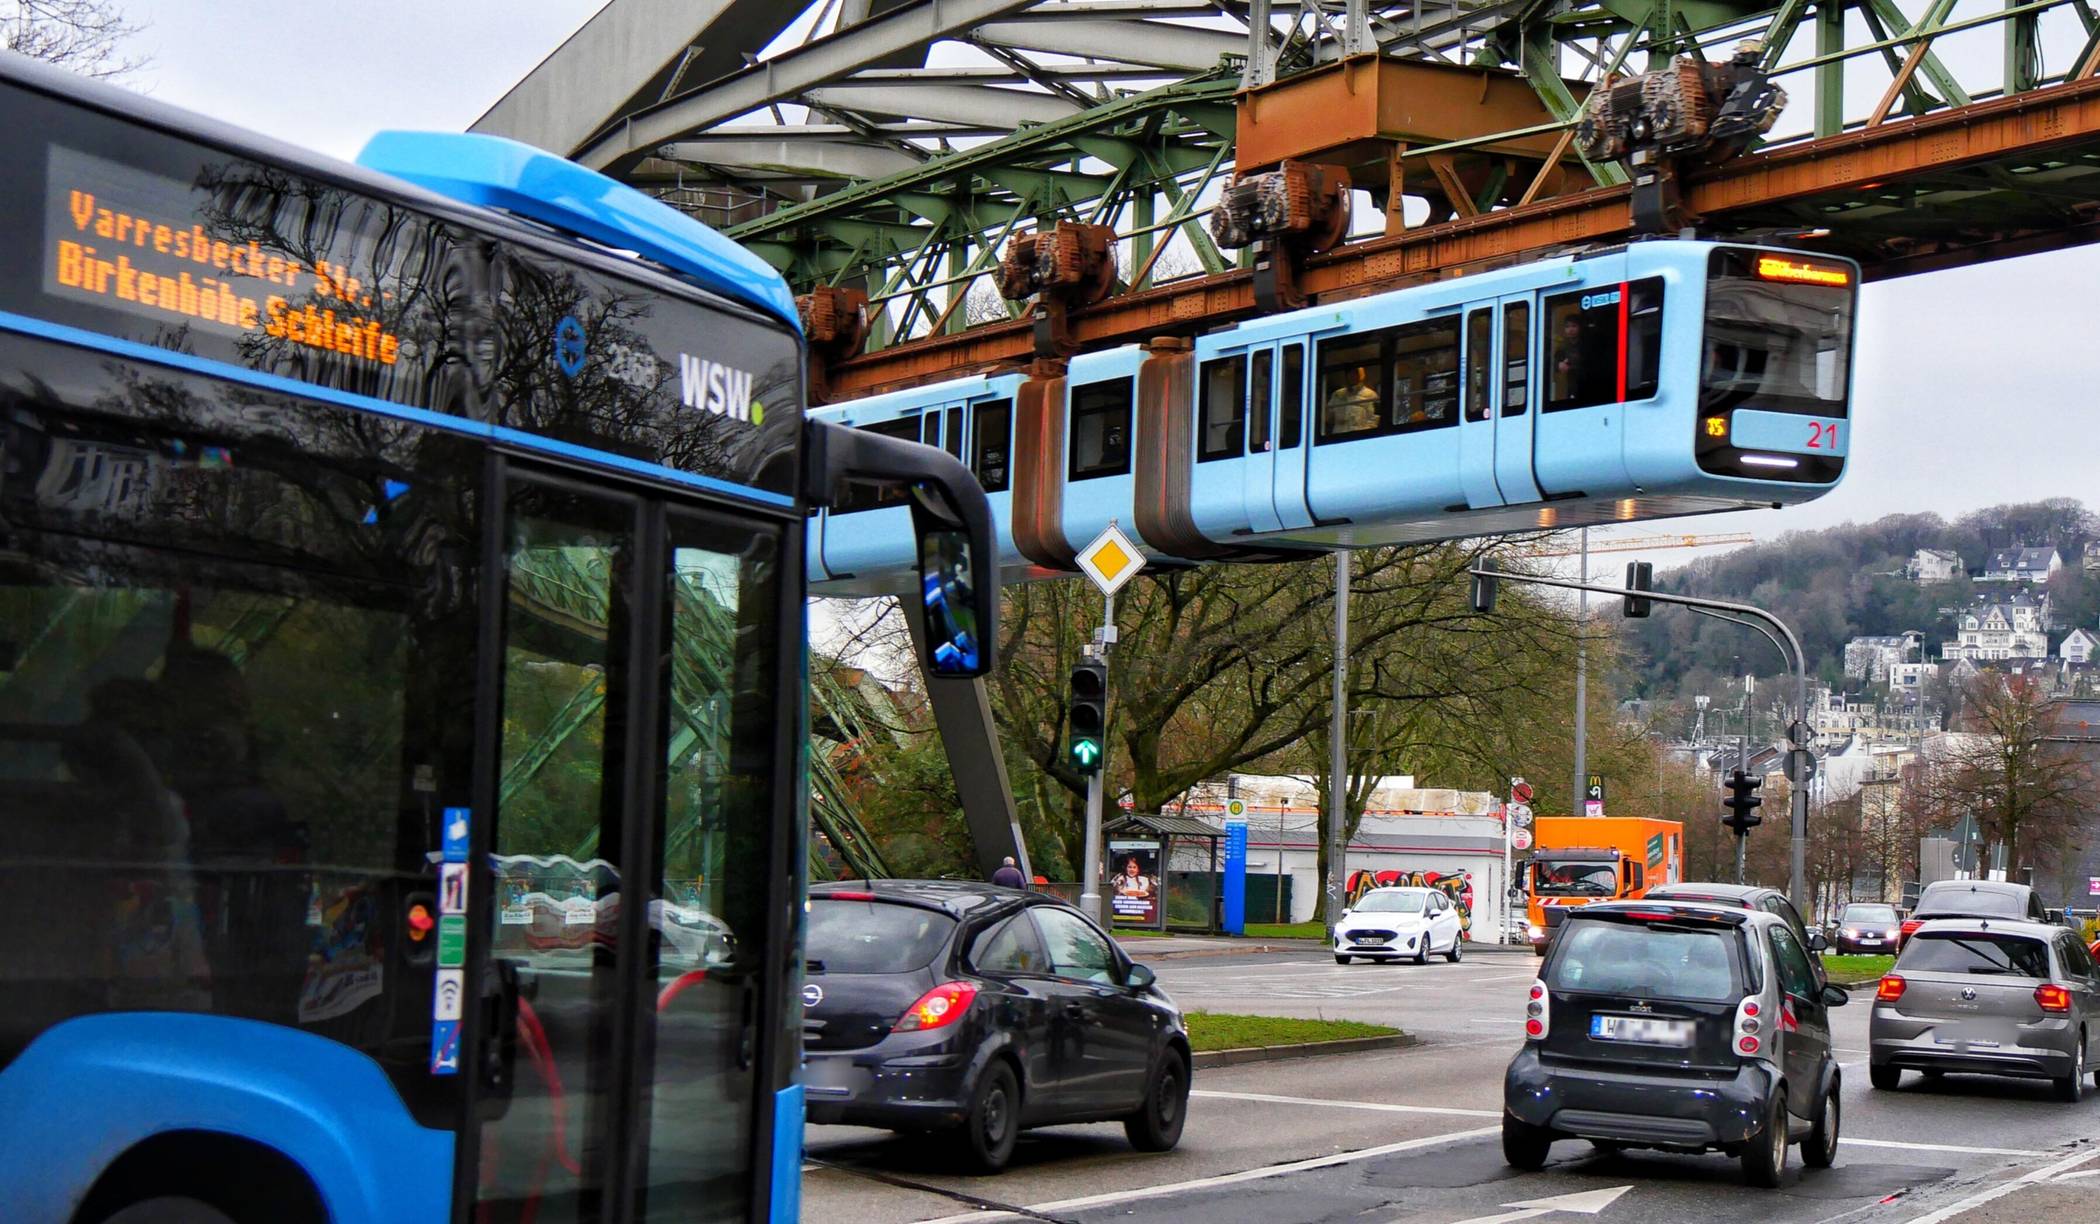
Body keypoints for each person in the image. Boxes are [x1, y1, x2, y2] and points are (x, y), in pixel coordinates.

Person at [1323, 365, 1381, 435]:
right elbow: (1328, 417)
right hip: (1339, 436)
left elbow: (1375, 418)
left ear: (1361, 375)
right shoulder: (1337, 394)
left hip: (1359, 436)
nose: (1352, 376)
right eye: (1349, 374)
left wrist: (1366, 433)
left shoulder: (1370, 395)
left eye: (1355, 374)